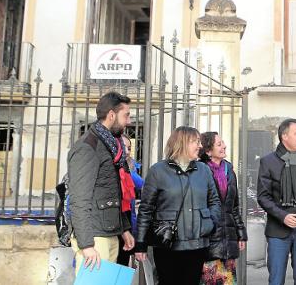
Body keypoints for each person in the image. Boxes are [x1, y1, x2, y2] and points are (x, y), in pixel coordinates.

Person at [135, 126, 221, 284]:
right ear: (183, 143)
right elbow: (146, 209)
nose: (200, 146)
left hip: (197, 244)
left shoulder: (204, 170)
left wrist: (210, 223)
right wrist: (140, 243)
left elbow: (214, 201)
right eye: (196, 142)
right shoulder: (157, 171)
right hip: (167, 244)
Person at [67, 91, 135, 273]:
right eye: (126, 115)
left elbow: (111, 192)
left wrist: (124, 229)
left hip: (110, 233)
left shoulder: (110, 146)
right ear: (111, 115)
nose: (129, 121)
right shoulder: (87, 147)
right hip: (95, 238)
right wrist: (87, 245)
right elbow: (79, 199)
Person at [257, 118, 296, 285]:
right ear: (284, 136)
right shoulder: (268, 161)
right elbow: (263, 196)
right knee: (276, 280)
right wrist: (283, 216)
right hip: (278, 229)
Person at [199, 132, 248, 285]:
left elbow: (234, 206)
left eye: (223, 143)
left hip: (228, 239)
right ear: (208, 151)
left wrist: (241, 233)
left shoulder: (229, 170)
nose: (224, 146)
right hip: (209, 237)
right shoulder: (200, 170)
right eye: (219, 144)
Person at [116, 134, 144, 266]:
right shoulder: (113, 168)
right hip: (113, 229)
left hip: (127, 226)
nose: (127, 151)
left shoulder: (129, 166)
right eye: (124, 147)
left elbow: (140, 184)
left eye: (129, 148)